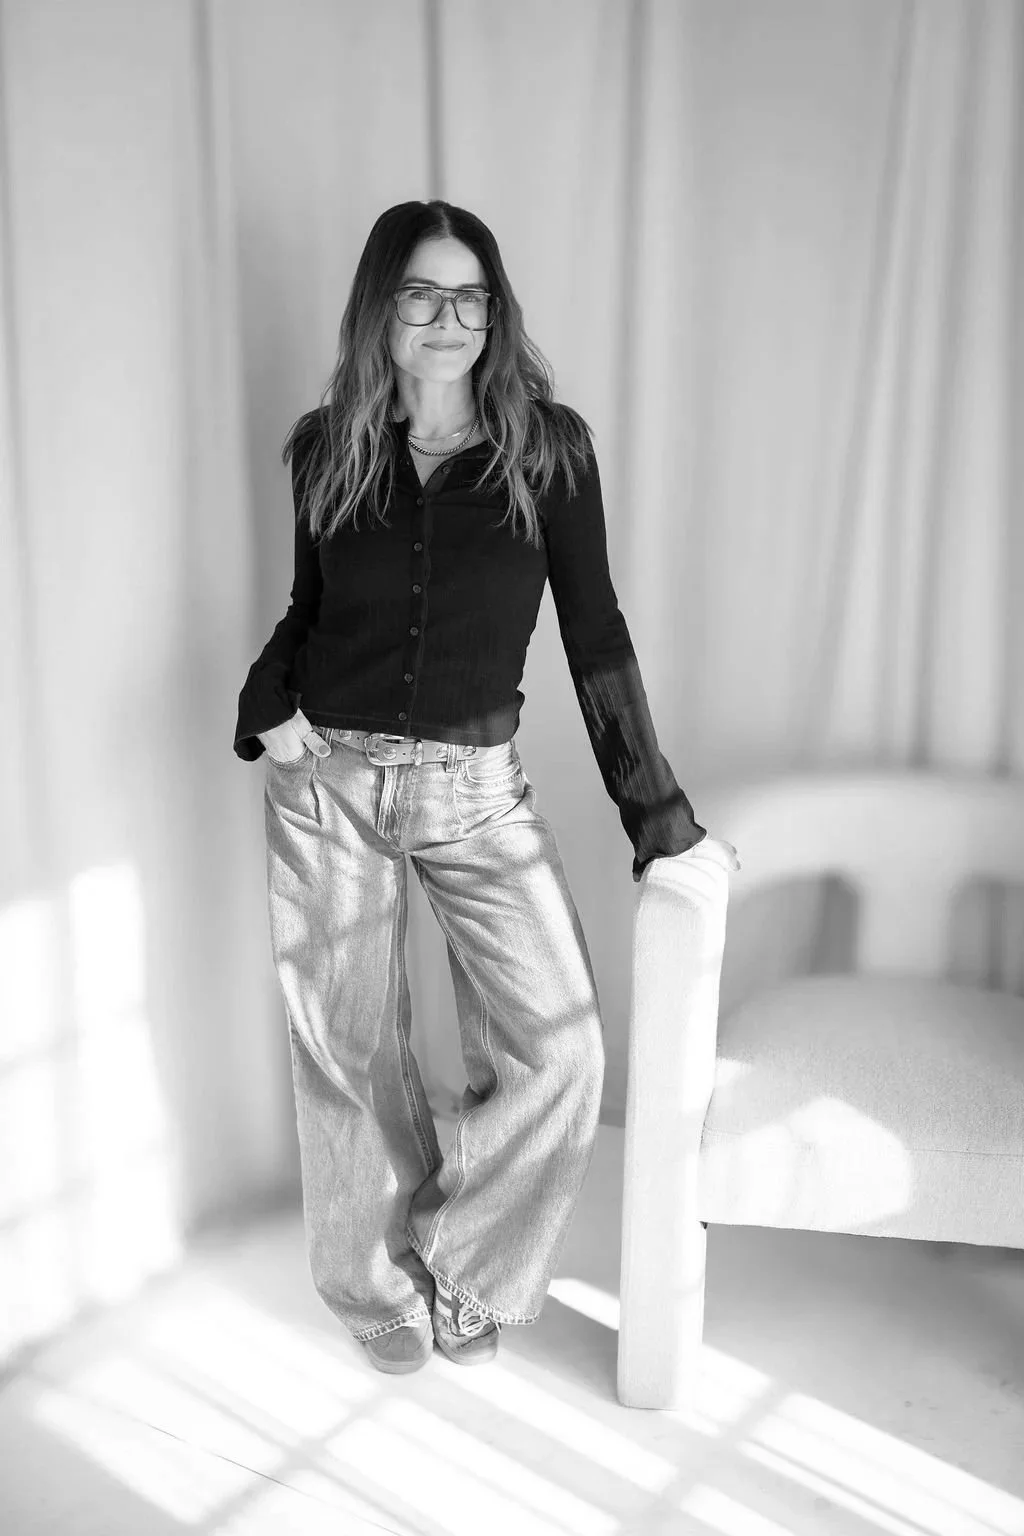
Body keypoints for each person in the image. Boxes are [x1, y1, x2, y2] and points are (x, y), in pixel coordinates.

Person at [234, 199, 726, 1376]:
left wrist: (658, 820)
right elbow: (310, 612)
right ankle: (365, 1283)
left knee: (562, 1052)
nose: (447, 319)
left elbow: (594, 634)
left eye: (470, 297)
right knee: (346, 1051)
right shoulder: (324, 446)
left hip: (475, 791)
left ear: (492, 314)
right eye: (421, 294)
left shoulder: (547, 451)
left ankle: (466, 1260)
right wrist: (267, 710)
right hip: (328, 779)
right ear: (381, 309)